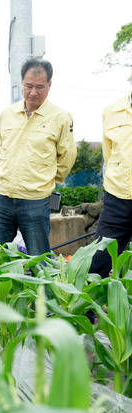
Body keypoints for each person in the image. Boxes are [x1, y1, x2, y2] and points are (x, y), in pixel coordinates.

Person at [0, 59, 76, 256]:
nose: (33, 92)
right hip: (2, 198)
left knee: (40, 260)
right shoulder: (7, 114)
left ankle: (43, 289)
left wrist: (47, 181)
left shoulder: (61, 117)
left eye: (39, 87)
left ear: (50, 86)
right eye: (28, 86)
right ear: (22, 84)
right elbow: (2, 147)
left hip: (36, 200)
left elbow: (67, 156)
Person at [89, 79, 132, 279]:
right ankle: (87, 310)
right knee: (97, 260)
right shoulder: (112, 111)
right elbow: (109, 154)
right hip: (118, 199)